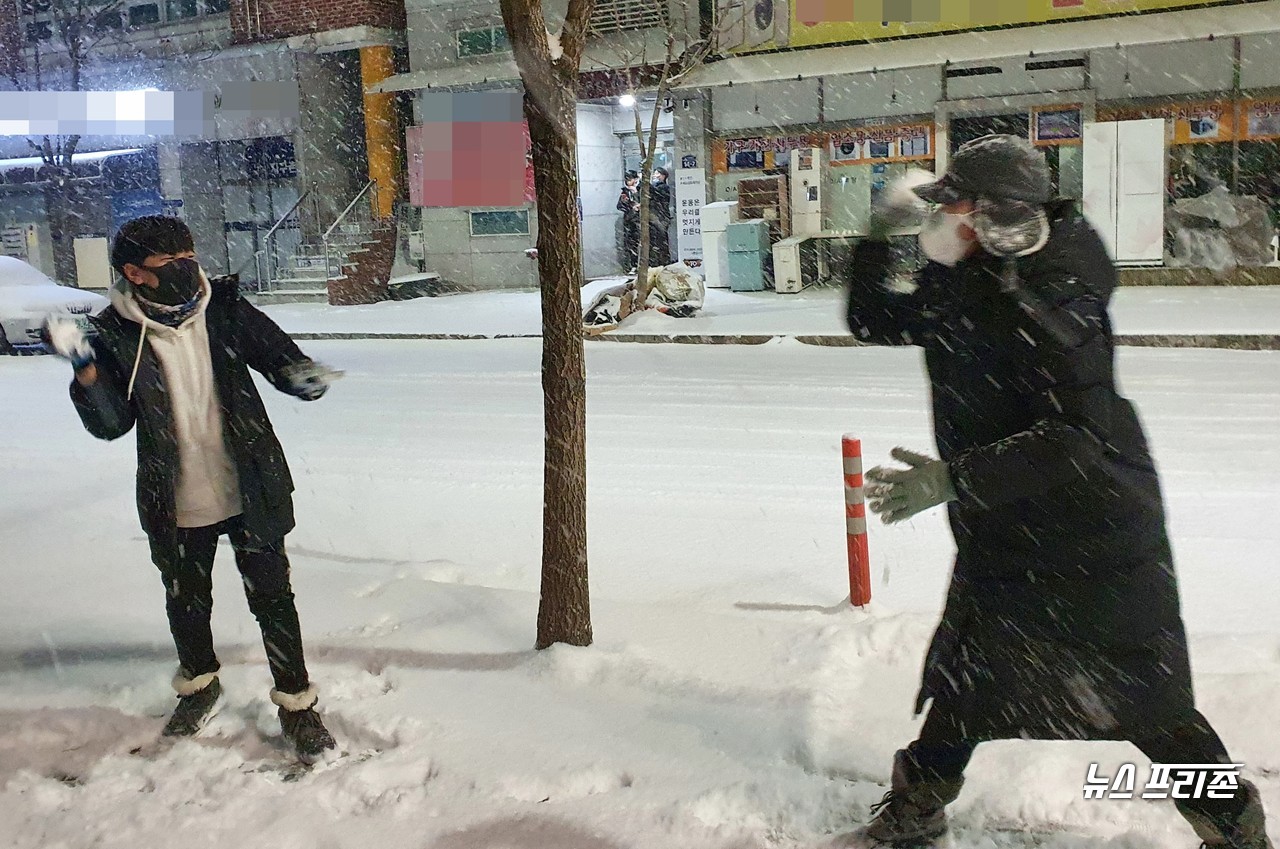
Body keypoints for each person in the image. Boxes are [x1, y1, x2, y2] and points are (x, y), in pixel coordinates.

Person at [842, 135, 1272, 849]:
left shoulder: (1052, 300)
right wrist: (874, 238)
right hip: (1011, 529)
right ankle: (917, 805)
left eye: (947, 205)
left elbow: (1076, 434)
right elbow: (874, 320)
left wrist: (955, 478)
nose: (936, 217)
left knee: (1148, 702)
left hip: (1091, 536)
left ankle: (1232, 821)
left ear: (985, 217)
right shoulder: (972, 280)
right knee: (971, 678)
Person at [44, 215, 342, 764]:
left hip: (249, 483)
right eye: (171, 263)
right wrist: (85, 370)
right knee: (186, 599)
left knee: (274, 599)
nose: (188, 269)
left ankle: (298, 707)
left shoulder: (223, 308)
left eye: (190, 255)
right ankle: (200, 684)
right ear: (134, 273)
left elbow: (280, 358)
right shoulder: (113, 333)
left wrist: (302, 375)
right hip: (175, 494)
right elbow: (112, 424)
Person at [648, 166, 673, 267]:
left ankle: (663, 262)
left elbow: (655, 193)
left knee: (661, 241)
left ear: (663, 176)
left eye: (657, 173)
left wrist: (645, 182)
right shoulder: (656, 187)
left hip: (661, 218)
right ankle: (659, 262)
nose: (655, 175)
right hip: (656, 217)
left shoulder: (663, 187)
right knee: (656, 241)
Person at [617, 169, 641, 272]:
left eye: (630, 179)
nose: (628, 182)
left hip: (641, 221)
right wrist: (631, 208)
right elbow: (620, 206)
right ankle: (633, 265)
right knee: (631, 244)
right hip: (630, 221)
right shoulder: (625, 192)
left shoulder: (642, 189)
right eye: (627, 179)